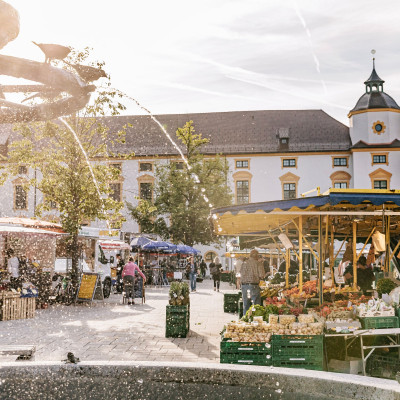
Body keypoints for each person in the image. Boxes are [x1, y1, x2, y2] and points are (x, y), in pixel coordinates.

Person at [241, 249, 265, 314]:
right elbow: (262, 275)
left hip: (244, 286)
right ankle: (255, 320)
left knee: (246, 305)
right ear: (256, 256)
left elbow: (241, 274)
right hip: (254, 286)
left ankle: (246, 320)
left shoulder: (244, 263)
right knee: (256, 306)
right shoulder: (258, 263)